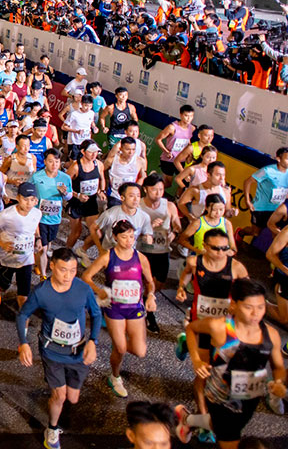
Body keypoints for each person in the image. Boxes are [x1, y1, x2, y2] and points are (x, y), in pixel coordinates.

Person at [175, 279, 287, 449]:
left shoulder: (271, 335)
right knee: (230, 437)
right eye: (249, 307)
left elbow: (278, 367)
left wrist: (278, 382)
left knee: (224, 425)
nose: (255, 313)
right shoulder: (219, 327)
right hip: (220, 395)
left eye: (260, 307)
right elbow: (192, 328)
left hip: (250, 395)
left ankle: (188, 420)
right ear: (234, 305)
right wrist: (196, 360)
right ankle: (189, 420)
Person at [16, 247, 102, 449]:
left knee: (72, 398)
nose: (68, 275)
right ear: (52, 266)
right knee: (60, 396)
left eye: (73, 270)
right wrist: (23, 343)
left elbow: (96, 314)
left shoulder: (82, 288)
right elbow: (22, 315)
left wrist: (93, 341)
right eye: (63, 270)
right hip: (52, 351)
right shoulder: (41, 292)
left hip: (78, 351)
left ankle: (59, 392)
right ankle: (52, 428)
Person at [174, 230, 250, 431]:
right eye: (215, 248)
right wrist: (182, 288)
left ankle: (184, 343)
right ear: (205, 247)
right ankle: (202, 416)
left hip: (225, 327)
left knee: (223, 369)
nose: (220, 252)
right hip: (200, 323)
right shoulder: (193, 262)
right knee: (204, 373)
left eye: (225, 248)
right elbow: (186, 276)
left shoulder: (237, 268)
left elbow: (248, 293)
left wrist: (239, 304)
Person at [81, 220, 157, 398]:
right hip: (114, 309)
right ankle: (115, 376)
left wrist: (151, 295)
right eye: (124, 237)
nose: (129, 240)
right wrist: (100, 291)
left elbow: (150, 282)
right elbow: (86, 276)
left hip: (135, 308)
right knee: (121, 349)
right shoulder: (108, 256)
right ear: (115, 237)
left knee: (140, 351)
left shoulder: (140, 258)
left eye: (131, 236)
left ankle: (116, 365)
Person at [0, 182, 42, 308]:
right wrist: (1, 243)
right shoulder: (7, 215)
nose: (29, 203)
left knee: (23, 296)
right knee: (4, 286)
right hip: (8, 259)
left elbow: (35, 226)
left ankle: (23, 325)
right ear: (18, 198)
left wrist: (38, 238)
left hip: (26, 260)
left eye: (32, 200)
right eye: (25, 199)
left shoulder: (37, 213)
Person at [138, 175, 181, 333]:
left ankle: (145, 300)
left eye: (161, 189)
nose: (158, 193)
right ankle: (148, 314)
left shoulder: (169, 205)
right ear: (146, 189)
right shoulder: (138, 205)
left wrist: (174, 233)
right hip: (142, 251)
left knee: (159, 284)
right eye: (154, 189)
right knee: (144, 282)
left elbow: (177, 223)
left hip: (162, 251)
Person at [242, 147, 288, 244]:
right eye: (287, 159)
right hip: (261, 208)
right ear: (279, 159)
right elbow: (248, 182)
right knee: (255, 232)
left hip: (277, 209)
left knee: (276, 233)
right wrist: (247, 201)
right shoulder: (267, 171)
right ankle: (240, 233)